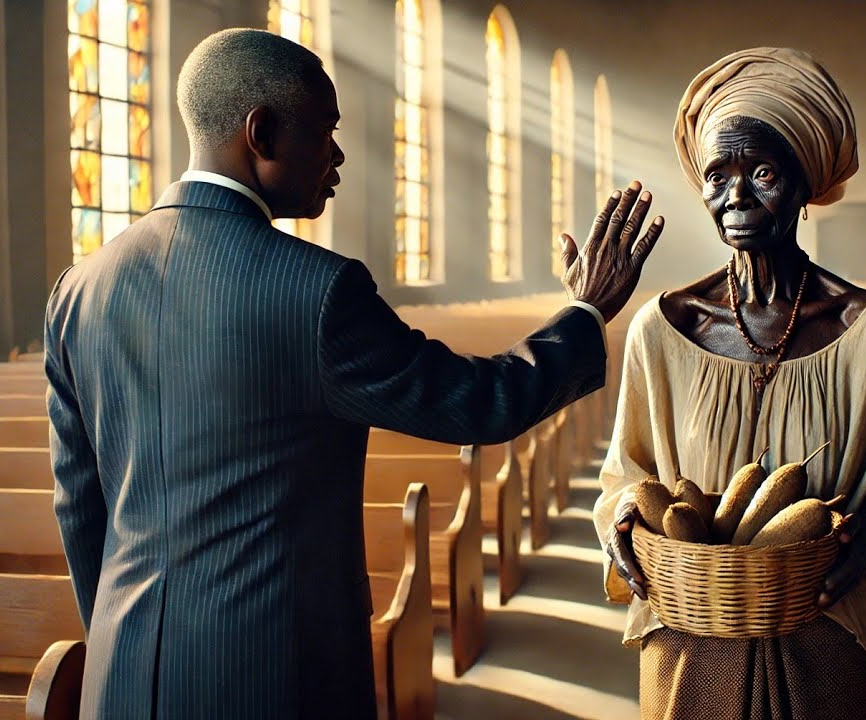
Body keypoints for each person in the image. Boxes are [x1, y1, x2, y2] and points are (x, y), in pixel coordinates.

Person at [45, 28, 663, 719]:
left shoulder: (79, 289)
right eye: (324, 130)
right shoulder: (316, 290)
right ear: (262, 132)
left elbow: (79, 507)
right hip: (272, 678)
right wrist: (586, 311)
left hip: (121, 676)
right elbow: (481, 402)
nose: (337, 155)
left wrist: (122, 636)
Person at [593, 48, 866, 719]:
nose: (737, 196)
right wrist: (624, 519)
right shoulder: (660, 331)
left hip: (823, 637)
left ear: (805, 183)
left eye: (764, 173)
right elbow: (623, 477)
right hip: (692, 639)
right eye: (717, 176)